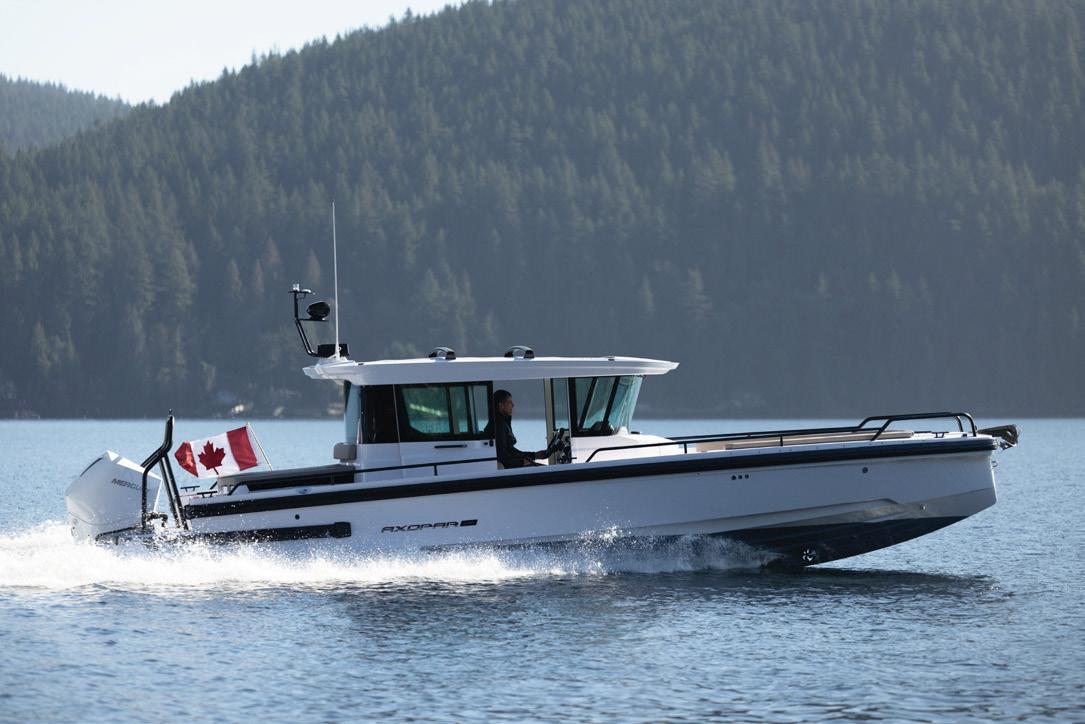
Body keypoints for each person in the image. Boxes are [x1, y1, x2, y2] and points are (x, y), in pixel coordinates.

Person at [487, 389, 549, 468]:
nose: (513, 405)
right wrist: (521, 462)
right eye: (509, 402)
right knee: (545, 469)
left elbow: (511, 450)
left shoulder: (501, 422)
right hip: (511, 467)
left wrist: (534, 455)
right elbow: (502, 455)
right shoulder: (499, 425)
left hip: (513, 464)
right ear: (501, 405)